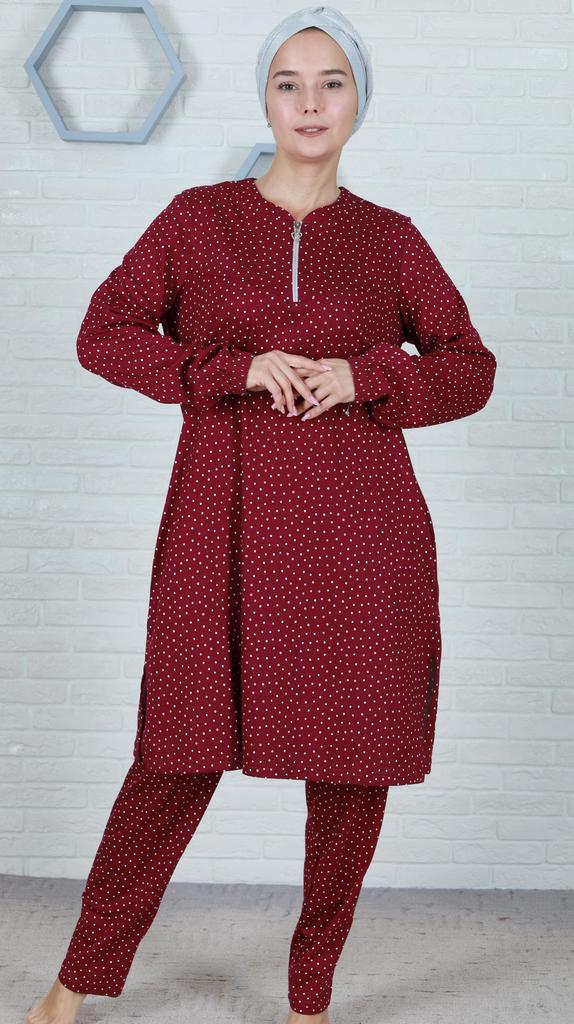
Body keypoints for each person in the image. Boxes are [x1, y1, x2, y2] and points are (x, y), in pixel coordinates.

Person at [24, 5, 497, 1024]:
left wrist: (367, 375)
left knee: (351, 772)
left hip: (361, 540)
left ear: (358, 101)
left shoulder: (390, 241)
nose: (310, 102)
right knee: (175, 754)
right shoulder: (197, 220)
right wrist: (228, 368)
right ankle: (76, 980)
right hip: (222, 531)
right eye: (289, 83)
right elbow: (103, 333)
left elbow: (470, 368)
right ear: (265, 100)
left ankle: (309, 998)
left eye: (331, 82)